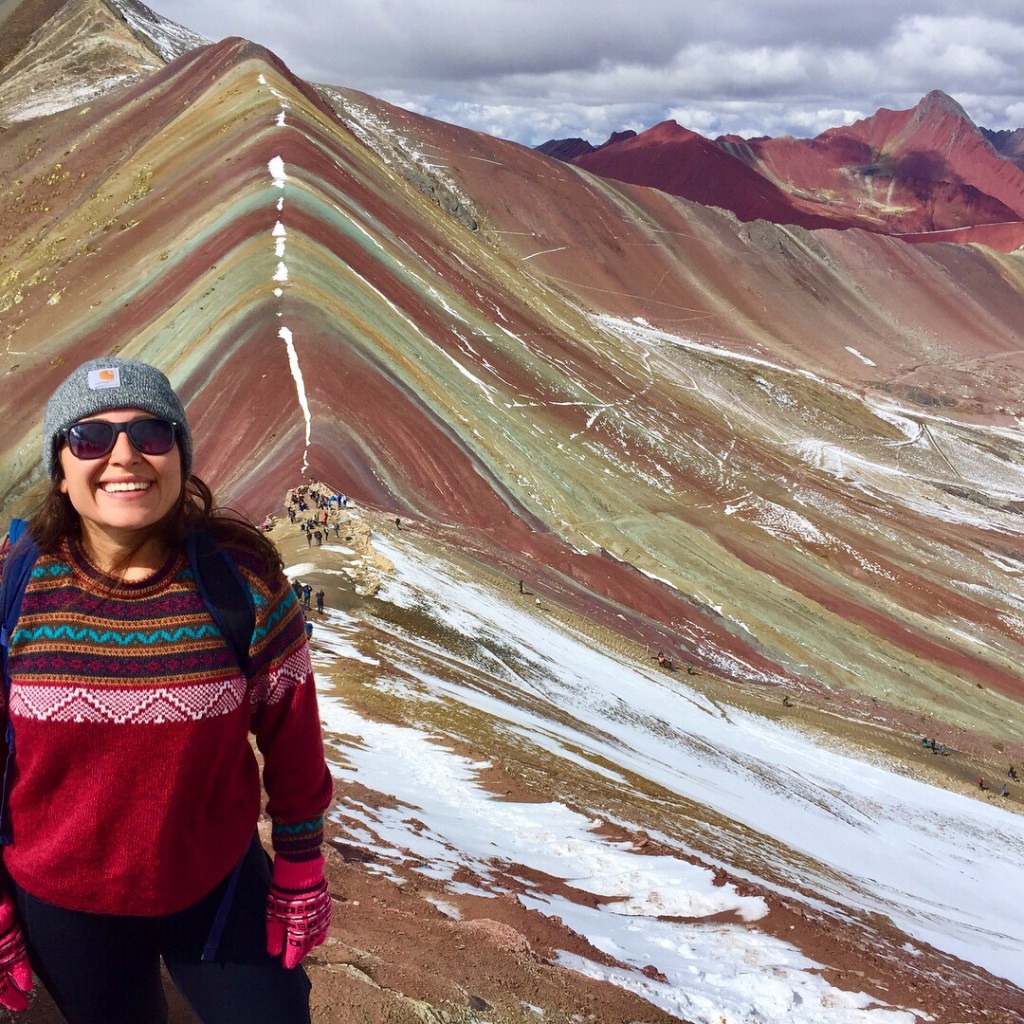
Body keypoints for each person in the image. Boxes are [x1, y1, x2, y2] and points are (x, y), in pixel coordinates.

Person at [0, 358, 333, 1023]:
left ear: (180, 458)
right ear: (61, 474)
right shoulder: (18, 588)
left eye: (152, 434)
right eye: (90, 439)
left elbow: (291, 734)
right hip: (65, 902)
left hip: (214, 883)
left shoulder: (243, 583)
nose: (125, 455)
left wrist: (300, 863)